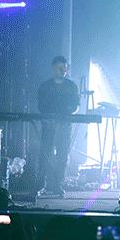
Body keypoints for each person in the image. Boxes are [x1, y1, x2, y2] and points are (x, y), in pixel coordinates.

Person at [37, 55, 80, 196]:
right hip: (49, 125)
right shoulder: (45, 86)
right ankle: (41, 184)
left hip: (64, 126)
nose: (62, 71)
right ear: (53, 68)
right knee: (45, 154)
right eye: (59, 68)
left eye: (64, 68)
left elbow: (76, 106)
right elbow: (40, 106)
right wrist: (47, 117)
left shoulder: (71, 87)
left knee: (62, 155)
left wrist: (70, 113)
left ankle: (57, 185)